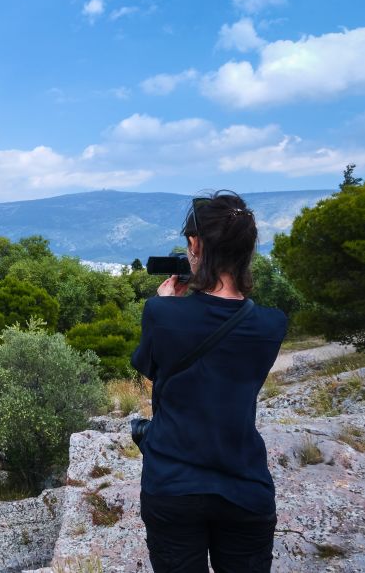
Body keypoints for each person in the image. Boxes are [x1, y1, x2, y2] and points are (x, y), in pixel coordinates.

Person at [132, 191, 287, 572]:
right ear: (247, 249)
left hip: (172, 482)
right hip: (245, 485)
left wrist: (167, 304)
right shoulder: (272, 324)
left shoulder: (161, 313)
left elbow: (152, 369)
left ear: (195, 245)